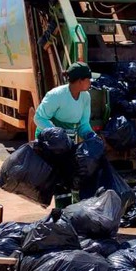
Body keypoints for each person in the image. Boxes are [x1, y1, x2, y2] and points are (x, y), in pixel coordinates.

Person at [34, 61, 97, 207]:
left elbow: (83, 124)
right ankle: (62, 211)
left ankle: (72, 211)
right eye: (88, 79)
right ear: (80, 81)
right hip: (50, 142)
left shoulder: (85, 97)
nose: (91, 83)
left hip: (68, 141)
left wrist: (91, 136)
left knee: (73, 175)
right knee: (60, 178)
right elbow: (39, 118)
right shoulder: (56, 95)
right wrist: (56, 134)